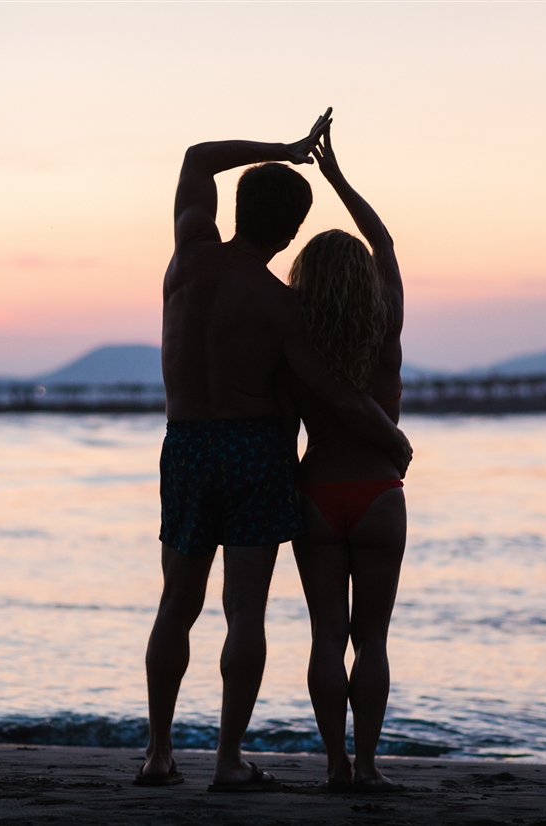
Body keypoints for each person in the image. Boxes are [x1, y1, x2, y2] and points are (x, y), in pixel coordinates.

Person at [137, 110, 413, 791]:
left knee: (177, 603)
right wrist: (393, 438)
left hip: (188, 444)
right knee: (244, 613)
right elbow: (337, 395)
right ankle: (230, 759)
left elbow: (199, 154)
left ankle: (159, 753)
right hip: (257, 451)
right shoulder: (281, 305)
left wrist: (285, 149)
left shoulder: (188, 255)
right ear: (290, 231)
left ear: (236, 208)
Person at [281, 124, 407, 792]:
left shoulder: (295, 329)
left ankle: (333, 765)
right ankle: (367, 765)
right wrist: (337, 181)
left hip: (317, 493)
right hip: (380, 492)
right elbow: (383, 242)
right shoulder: (386, 315)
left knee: (327, 635)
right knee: (373, 640)